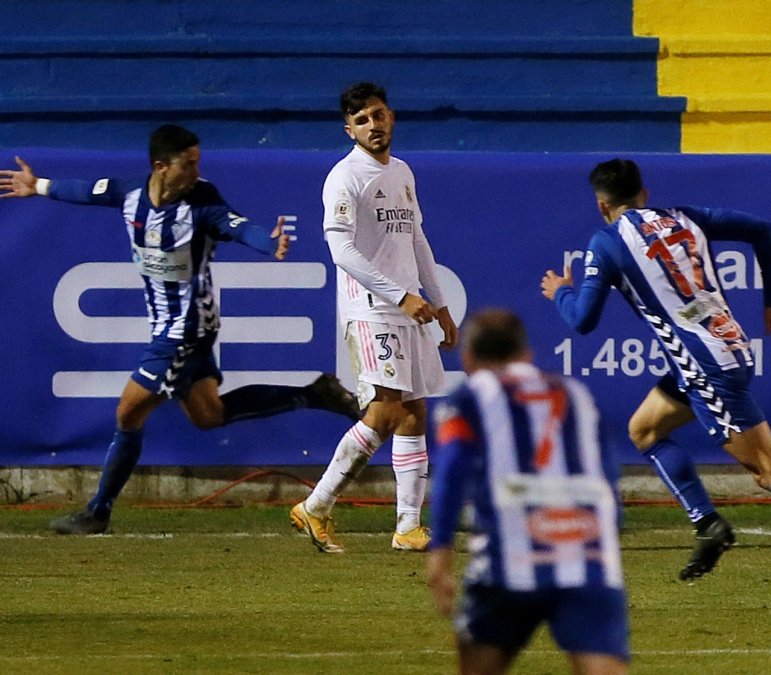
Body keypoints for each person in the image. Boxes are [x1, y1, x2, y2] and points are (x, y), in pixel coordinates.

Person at [541, 158, 771, 615]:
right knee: (644, 430)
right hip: (722, 348)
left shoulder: (606, 242)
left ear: (603, 206)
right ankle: (707, 525)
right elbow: (760, 228)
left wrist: (560, 291)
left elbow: (583, 320)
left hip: (705, 367)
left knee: (768, 469)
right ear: (644, 193)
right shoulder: (685, 217)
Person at [0, 125, 360, 535]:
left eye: (197, 162)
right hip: (171, 325)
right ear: (160, 167)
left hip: (185, 328)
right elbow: (87, 191)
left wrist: (268, 242)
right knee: (209, 415)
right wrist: (40, 185)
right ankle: (313, 393)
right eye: (188, 164)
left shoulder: (202, 203)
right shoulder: (131, 194)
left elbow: (239, 226)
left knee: (128, 410)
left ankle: (98, 510)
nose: (196, 171)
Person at [289, 82, 458, 554]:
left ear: (392, 117)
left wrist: (439, 302)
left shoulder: (403, 172)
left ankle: (406, 527)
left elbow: (418, 239)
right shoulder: (345, 177)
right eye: (361, 120)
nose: (373, 125)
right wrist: (401, 295)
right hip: (370, 310)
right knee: (388, 409)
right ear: (350, 129)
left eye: (378, 115)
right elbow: (341, 249)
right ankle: (317, 505)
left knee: (414, 411)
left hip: (408, 308)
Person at [427, 308, 628, 674]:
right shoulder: (577, 394)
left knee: (478, 663)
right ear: (527, 355)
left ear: (468, 359)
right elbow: (608, 474)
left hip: (508, 556)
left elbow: (452, 467)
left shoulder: (467, 398)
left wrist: (440, 547)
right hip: (585, 551)